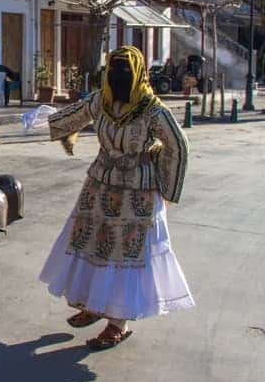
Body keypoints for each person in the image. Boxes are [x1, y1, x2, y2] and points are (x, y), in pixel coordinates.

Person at [40, 46, 194, 350]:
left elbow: (178, 145)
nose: (119, 75)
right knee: (93, 246)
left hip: (136, 195)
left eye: (125, 69)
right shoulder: (104, 101)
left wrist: (166, 188)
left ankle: (117, 323)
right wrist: (40, 121)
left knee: (124, 256)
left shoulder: (152, 109)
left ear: (138, 72)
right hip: (99, 187)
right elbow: (74, 115)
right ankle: (94, 305)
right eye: (114, 68)